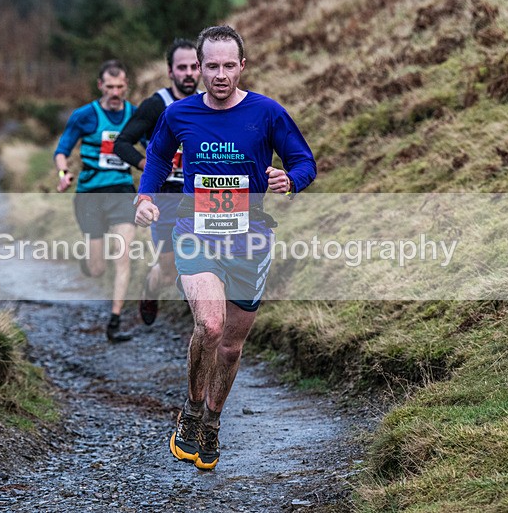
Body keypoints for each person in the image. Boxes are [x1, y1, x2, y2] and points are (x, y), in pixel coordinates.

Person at [134, 26, 316, 470]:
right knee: (210, 327)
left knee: (231, 348)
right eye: (210, 66)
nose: (219, 74)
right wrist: (145, 197)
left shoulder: (267, 113)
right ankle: (192, 414)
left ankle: (213, 422)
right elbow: (158, 156)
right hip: (195, 233)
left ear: (242, 66)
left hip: (250, 240)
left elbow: (304, 161)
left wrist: (290, 180)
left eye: (227, 65)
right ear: (198, 68)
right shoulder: (179, 114)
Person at [114, 38, 201, 326]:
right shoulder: (155, 105)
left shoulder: (207, 104)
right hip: (164, 197)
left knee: (199, 262)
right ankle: (151, 287)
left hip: (200, 198)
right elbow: (122, 143)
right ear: (170, 71)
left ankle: (204, 327)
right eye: (182, 67)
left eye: (194, 67)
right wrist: (149, 165)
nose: (189, 73)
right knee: (167, 270)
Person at [54, 59, 137, 343]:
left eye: (120, 86)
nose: (115, 92)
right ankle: (88, 262)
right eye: (110, 86)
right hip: (90, 194)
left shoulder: (135, 115)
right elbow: (63, 149)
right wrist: (64, 173)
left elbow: (156, 146)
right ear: (101, 86)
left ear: (126, 86)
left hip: (123, 191)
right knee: (98, 267)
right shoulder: (84, 116)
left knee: (123, 256)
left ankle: (114, 321)